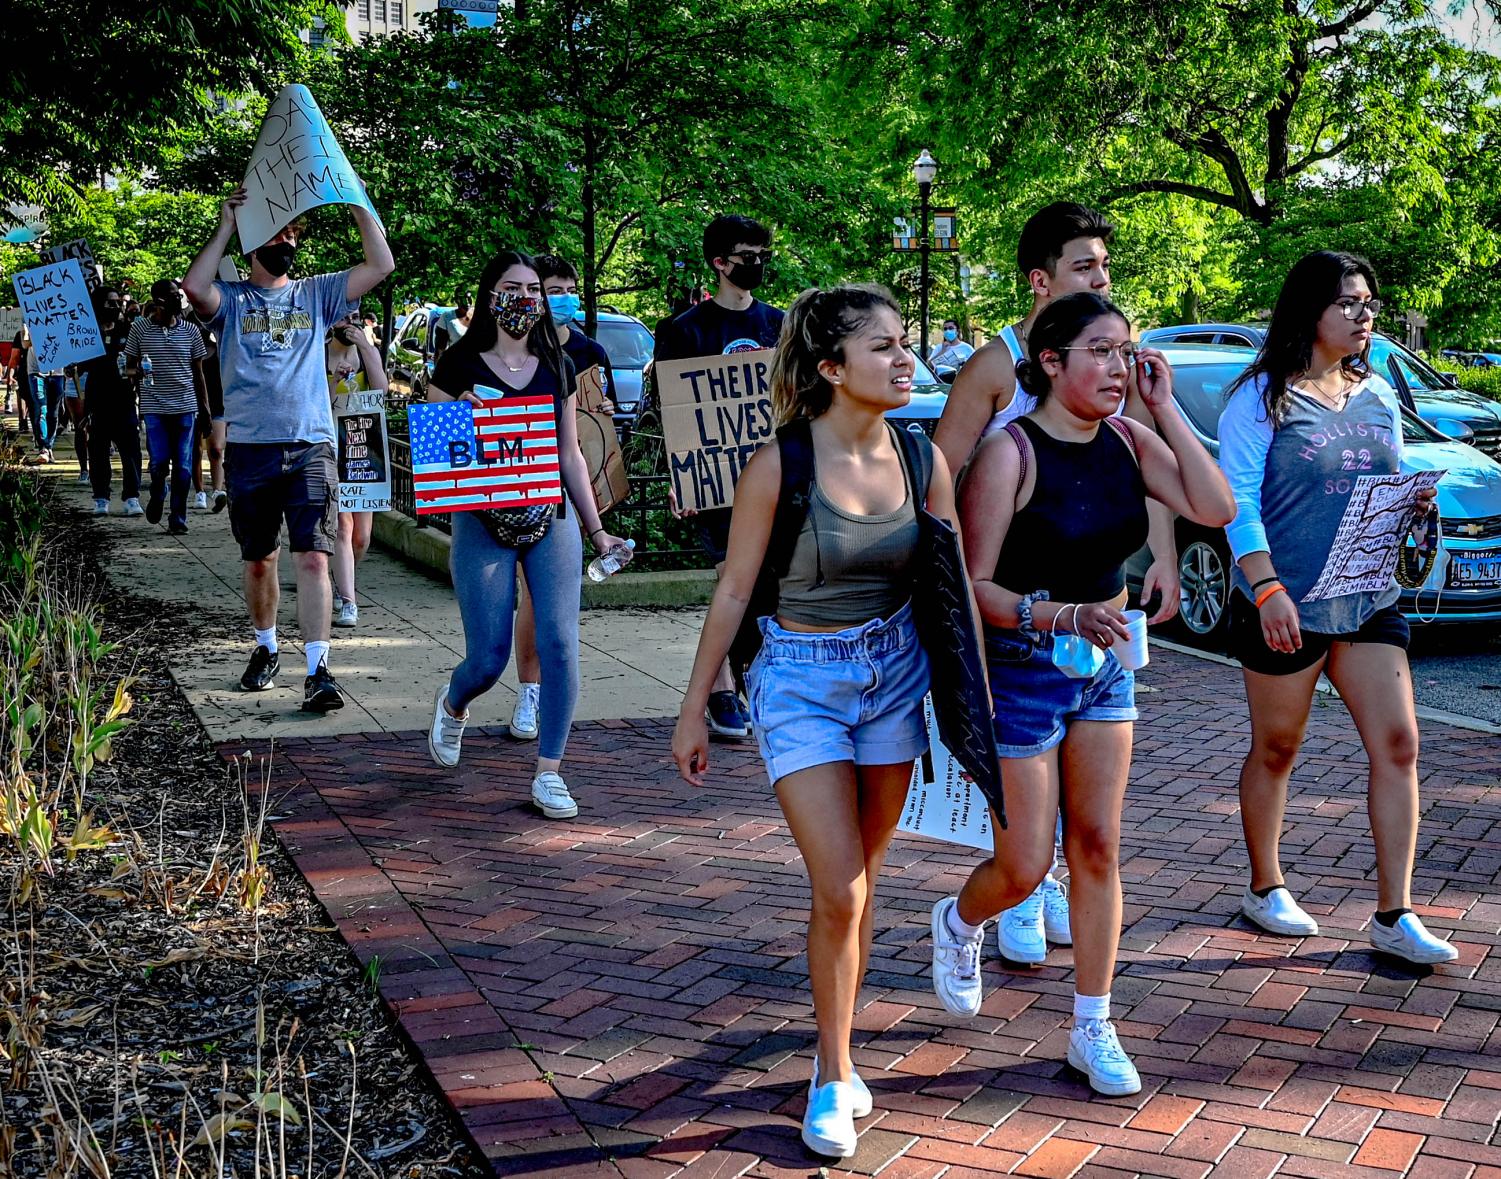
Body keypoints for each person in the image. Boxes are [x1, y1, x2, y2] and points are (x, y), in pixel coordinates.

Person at [930, 292, 1234, 1096]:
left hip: (1103, 666)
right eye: (1098, 351)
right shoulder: (1011, 453)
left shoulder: (1131, 440)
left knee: (1097, 844)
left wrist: (1165, 411)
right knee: (1025, 864)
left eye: (1124, 351)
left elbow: (1216, 506)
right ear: (1051, 362)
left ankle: (1092, 1023)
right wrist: (1058, 611)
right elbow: (974, 583)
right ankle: (959, 921)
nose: (1117, 366)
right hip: (1024, 665)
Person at [673, 285, 952, 1159]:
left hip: (894, 673)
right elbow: (730, 590)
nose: (905, 359)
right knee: (840, 885)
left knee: (863, 880)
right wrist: (693, 707)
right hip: (798, 681)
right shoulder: (779, 464)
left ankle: (841, 1035)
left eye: (905, 343)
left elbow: (946, 592)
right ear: (831, 368)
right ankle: (831, 1073)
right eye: (883, 347)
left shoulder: (921, 457)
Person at [933, 201, 1183, 969]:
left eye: (1104, 266)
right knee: (1025, 832)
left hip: (1100, 623)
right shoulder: (993, 368)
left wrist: (1161, 555)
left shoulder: (1110, 366)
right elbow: (939, 476)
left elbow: (1141, 475)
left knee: (1095, 825)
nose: (1101, 277)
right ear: (1040, 281)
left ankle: (1078, 975)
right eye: (1084, 266)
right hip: (1019, 622)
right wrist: (951, 597)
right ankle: (1017, 890)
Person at [1218, 251, 1457, 965]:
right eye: (1349, 303)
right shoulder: (1259, 398)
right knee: (1277, 747)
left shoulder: (1377, 393)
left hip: (1367, 593)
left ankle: (1394, 913)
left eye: (1369, 303)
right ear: (1309, 312)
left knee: (1399, 744)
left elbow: (1388, 474)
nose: (1364, 316)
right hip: (1286, 600)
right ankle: (1264, 886)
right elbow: (1238, 505)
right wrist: (1266, 589)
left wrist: (1416, 497)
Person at [424, 250, 629, 820]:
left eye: (535, 289)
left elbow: (570, 454)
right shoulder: (458, 364)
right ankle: (454, 703)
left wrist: (597, 529)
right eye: (514, 287)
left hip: (550, 517)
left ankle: (550, 772)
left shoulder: (554, 364)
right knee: (487, 659)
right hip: (482, 519)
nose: (528, 299)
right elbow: (437, 460)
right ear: (490, 294)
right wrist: (459, 419)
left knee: (561, 643)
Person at [182, 185, 394, 713]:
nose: (287, 242)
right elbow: (194, 286)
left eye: (293, 234)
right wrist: (226, 225)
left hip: (310, 446)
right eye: (277, 234)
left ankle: (320, 669)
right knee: (259, 561)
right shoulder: (231, 301)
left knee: (316, 557)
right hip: (252, 450)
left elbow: (380, 263)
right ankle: (266, 647)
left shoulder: (318, 294)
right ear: (253, 246)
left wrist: (357, 206)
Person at [654, 214, 785, 740]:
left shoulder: (779, 324)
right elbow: (676, 411)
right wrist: (680, 478)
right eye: (746, 256)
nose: (756, 264)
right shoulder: (686, 331)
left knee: (770, 584)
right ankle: (722, 687)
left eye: (762, 254)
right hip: (715, 479)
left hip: (772, 475)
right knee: (731, 575)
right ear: (720, 263)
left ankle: (751, 674)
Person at [505, 253, 618, 740]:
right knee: (532, 597)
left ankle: (548, 702)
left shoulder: (589, 352)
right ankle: (529, 690)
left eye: (569, 287)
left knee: (558, 606)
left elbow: (595, 427)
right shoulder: (515, 352)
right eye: (551, 289)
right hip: (520, 494)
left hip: (578, 488)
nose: (562, 298)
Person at [125, 279, 207, 534]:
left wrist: (204, 408)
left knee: (183, 467)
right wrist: (139, 371)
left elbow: (199, 373)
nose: (178, 299)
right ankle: (158, 491)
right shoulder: (140, 330)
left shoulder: (191, 331)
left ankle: (178, 518)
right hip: (154, 407)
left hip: (185, 407)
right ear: (159, 301)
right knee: (159, 462)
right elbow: (127, 366)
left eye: (179, 295)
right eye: (172, 295)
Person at [325, 312, 388, 628]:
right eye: (343, 318)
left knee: (361, 537)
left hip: (364, 444)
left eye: (356, 317)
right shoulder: (320, 353)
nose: (350, 323)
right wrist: (335, 381)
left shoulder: (366, 350)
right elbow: (316, 403)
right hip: (330, 446)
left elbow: (381, 389)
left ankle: (338, 578)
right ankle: (348, 601)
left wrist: (366, 347)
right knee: (343, 527)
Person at [77, 286, 144, 516]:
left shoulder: (129, 330)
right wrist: (71, 367)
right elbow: (80, 365)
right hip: (97, 400)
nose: (116, 307)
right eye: (110, 303)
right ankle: (101, 497)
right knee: (98, 450)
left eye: (118, 303)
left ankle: (132, 496)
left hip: (124, 399)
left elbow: (140, 360)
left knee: (130, 449)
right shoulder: (87, 334)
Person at [191, 318, 228, 512]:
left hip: (217, 405)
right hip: (191, 404)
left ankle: (217, 490)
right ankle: (199, 491)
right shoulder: (188, 351)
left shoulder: (221, 349)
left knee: (216, 448)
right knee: (195, 450)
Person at [433, 288, 473, 364]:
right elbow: (440, 349)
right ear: (456, 300)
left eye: (469, 297)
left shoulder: (481, 318)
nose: (467, 301)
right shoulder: (447, 318)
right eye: (463, 298)